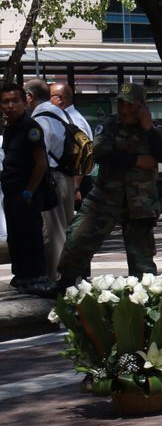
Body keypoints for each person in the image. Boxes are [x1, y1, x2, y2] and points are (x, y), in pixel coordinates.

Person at [56, 84, 162, 287]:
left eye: (130, 104)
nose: (125, 109)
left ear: (142, 106)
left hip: (141, 203)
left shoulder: (156, 130)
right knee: (77, 240)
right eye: (121, 104)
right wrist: (137, 161)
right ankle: (65, 285)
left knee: (142, 261)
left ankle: (144, 302)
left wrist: (148, 128)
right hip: (105, 198)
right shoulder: (108, 124)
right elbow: (100, 153)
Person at [1, 82, 49, 293]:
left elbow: (41, 163)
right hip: (10, 193)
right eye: (5, 102)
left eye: (15, 101)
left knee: (30, 237)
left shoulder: (30, 128)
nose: (10, 105)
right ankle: (21, 276)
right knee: (15, 238)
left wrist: (28, 192)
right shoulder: (10, 128)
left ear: (24, 102)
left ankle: (36, 277)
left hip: (25, 193)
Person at [28, 79, 77, 277]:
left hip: (52, 180)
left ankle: (58, 282)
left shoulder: (40, 119)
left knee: (54, 235)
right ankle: (73, 278)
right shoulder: (63, 114)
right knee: (67, 232)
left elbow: (41, 156)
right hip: (67, 178)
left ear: (30, 97)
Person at [50, 83, 94, 208]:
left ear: (60, 99)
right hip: (70, 182)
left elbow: (82, 154)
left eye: (49, 97)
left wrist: (75, 188)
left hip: (75, 183)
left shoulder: (73, 121)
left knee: (74, 225)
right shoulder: (65, 118)